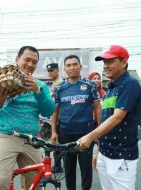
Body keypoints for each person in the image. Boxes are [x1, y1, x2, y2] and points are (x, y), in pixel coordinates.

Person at [0, 46, 55, 190]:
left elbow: (48, 111)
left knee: (35, 185)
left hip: (31, 140)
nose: (30, 65)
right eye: (27, 60)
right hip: (4, 135)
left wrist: (37, 91)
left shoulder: (40, 86)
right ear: (17, 59)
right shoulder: (0, 80)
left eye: (34, 62)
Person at [78, 45, 141, 190]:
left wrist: (89, 137)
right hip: (105, 153)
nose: (106, 66)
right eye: (104, 62)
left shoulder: (130, 84)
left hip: (121, 156)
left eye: (110, 61)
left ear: (124, 62)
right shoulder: (111, 89)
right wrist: (98, 151)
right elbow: (105, 119)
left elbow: (118, 117)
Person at [50, 55, 101, 190]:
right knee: (69, 169)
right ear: (65, 69)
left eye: (74, 64)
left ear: (80, 66)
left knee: (85, 168)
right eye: (69, 65)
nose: (72, 67)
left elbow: (97, 108)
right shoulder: (59, 88)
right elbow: (55, 111)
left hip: (86, 133)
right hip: (65, 134)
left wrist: (99, 130)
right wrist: (54, 132)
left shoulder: (90, 85)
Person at [46, 63, 63, 174]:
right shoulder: (53, 84)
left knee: (53, 143)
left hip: (59, 118)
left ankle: (57, 165)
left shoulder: (60, 84)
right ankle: (56, 165)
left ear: (57, 70)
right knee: (51, 143)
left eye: (52, 70)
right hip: (52, 118)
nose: (50, 73)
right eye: (49, 71)